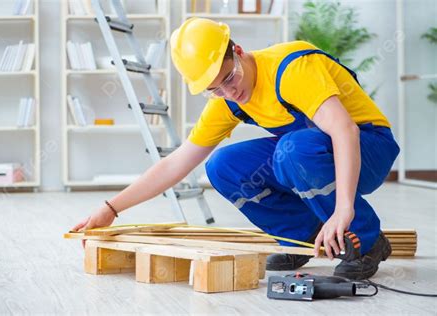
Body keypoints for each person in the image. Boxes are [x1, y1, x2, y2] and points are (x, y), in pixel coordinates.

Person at [72, 18, 400, 280]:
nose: (230, 91)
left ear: (238, 51)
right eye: (215, 89)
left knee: (292, 150)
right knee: (222, 165)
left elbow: (345, 131)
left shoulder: (291, 68)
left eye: (230, 77)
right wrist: (111, 208)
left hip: (368, 147)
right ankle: (305, 239)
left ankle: (367, 240)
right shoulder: (226, 100)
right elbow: (177, 163)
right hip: (310, 154)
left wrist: (344, 210)